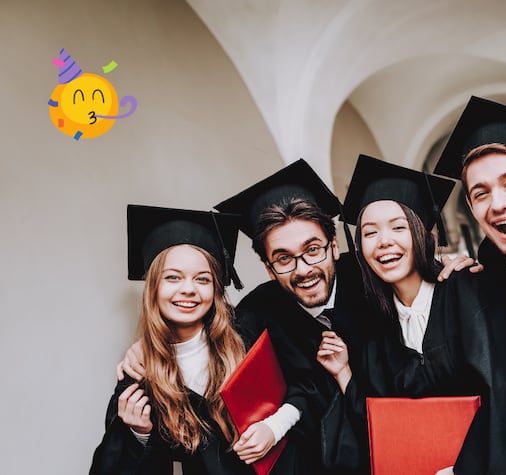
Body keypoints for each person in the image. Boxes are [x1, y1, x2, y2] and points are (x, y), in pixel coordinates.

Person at [116, 160, 476, 474]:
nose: (303, 269)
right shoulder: (258, 313)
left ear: (335, 246)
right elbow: (207, 334)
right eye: (284, 258)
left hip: (407, 452)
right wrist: (146, 346)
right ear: (269, 267)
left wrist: (447, 263)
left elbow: (410, 268)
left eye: (313, 250)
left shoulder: (371, 277)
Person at [317, 154, 506, 474]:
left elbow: (505, 393)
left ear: (425, 233)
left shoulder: (465, 289)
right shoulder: (380, 327)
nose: (384, 242)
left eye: (398, 227)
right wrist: (342, 371)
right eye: (370, 233)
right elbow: (381, 418)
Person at [90, 205, 251, 474]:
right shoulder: (139, 378)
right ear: (153, 288)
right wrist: (138, 435)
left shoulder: (244, 342)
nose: (188, 289)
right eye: (173, 277)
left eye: (202, 279)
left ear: (215, 289)